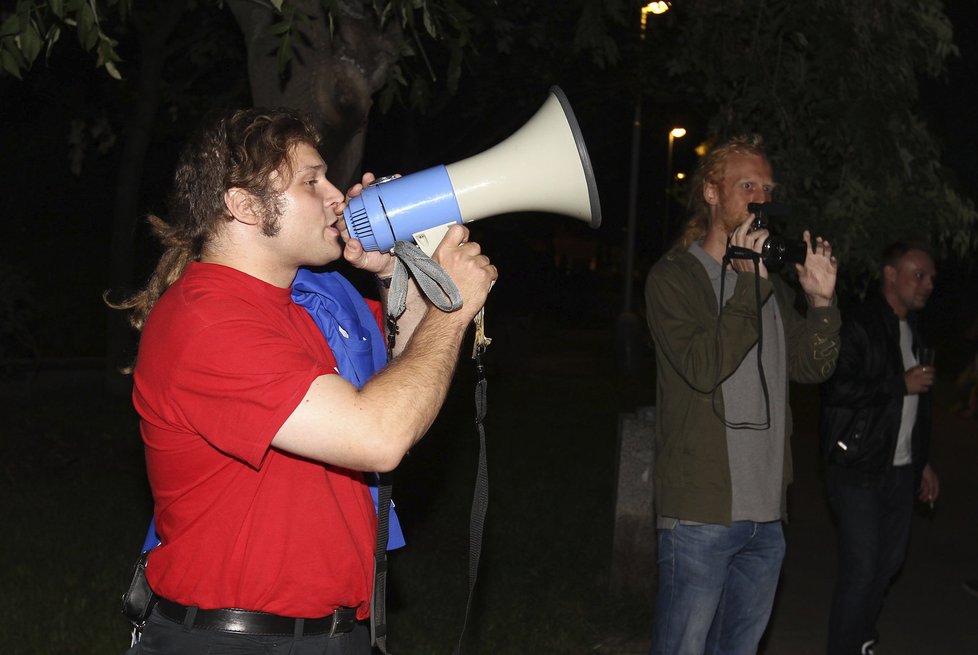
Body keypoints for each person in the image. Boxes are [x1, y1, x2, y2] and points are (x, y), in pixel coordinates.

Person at [115, 107, 497, 654]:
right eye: (311, 181)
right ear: (243, 204)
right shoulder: (206, 320)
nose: (338, 195)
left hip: (327, 634)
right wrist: (454, 314)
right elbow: (379, 436)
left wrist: (402, 272)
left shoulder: (307, 307)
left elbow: (404, 381)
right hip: (236, 641)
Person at [644, 134, 840, 654]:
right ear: (711, 193)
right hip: (700, 517)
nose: (760, 198)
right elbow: (703, 368)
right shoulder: (675, 279)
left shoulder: (771, 286)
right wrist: (748, 285)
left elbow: (812, 367)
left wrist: (821, 303)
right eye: (746, 185)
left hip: (767, 518)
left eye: (767, 189)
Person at [819, 241, 939, 655]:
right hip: (857, 465)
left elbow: (918, 409)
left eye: (931, 278)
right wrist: (897, 384)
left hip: (900, 469)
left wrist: (922, 463)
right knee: (863, 567)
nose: (927, 284)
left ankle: (862, 636)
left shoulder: (916, 331)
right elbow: (834, 388)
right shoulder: (859, 323)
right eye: (918, 274)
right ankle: (844, 647)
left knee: (888, 565)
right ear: (890, 274)